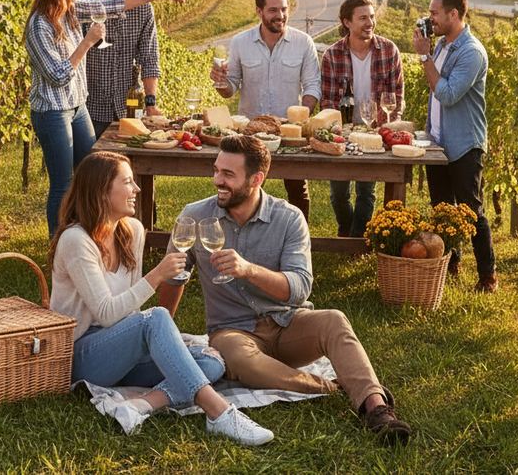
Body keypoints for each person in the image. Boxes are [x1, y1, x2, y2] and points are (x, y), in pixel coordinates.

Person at [159, 135, 412, 445]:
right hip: (233, 332)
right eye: (216, 170)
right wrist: (164, 332)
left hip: (287, 324)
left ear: (256, 179)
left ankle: (377, 408)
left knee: (334, 319)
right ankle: (329, 386)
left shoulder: (288, 218)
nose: (217, 181)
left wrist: (248, 270)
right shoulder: (195, 216)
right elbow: (175, 276)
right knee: (238, 357)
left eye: (227, 174)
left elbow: (299, 288)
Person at [49, 151, 274, 445]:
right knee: (156, 317)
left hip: (123, 349)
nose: (136, 189)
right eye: (128, 182)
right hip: (82, 354)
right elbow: (105, 313)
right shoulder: (76, 240)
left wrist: (155, 342)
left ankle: (138, 406)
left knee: (212, 362)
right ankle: (220, 413)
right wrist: (156, 277)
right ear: (102, 191)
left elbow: (130, 309)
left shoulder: (131, 230)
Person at [24, 0, 187, 236]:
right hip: (53, 111)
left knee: (96, 175)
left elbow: (114, 4)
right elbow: (59, 76)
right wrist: (88, 42)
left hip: (76, 108)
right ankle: (58, 246)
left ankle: (93, 236)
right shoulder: (39, 25)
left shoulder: (72, 10)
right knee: (63, 183)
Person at [210, 0, 320, 220]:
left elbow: (312, 86)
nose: (280, 16)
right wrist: (220, 82)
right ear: (259, 11)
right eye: (273, 10)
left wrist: (300, 118)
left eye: (283, 9)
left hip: (289, 132)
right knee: (245, 188)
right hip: (250, 132)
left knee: (297, 189)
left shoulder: (303, 43)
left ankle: (299, 240)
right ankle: (243, 233)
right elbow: (231, 89)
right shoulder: (240, 42)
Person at [412, 0, 498, 292]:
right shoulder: (441, 45)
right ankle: (451, 263)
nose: (430, 18)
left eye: (435, 13)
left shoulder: (471, 52)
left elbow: (447, 94)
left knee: (470, 211)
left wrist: (423, 56)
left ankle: (488, 276)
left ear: (454, 14)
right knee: (441, 208)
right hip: (437, 140)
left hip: (464, 143)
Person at [320, 0, 403, 237]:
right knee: (338, 194)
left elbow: (396, 99)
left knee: (367, 191)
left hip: (374, 133)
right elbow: (327, 103)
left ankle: (356, 240)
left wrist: (385, 131)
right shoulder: (332, 55)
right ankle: (347, 230)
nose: (370, 23)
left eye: (372, 17)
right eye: (363, 18)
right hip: (342, 133)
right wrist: (338, 132)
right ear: (347, 22)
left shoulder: (389, 51)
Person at [83, 0, 162, 139]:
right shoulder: (87, 8)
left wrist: (151, 102)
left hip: (129, 108)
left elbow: (149, 57)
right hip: (90, 109)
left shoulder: (143, 9)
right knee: (90, 165)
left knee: (127, 165)